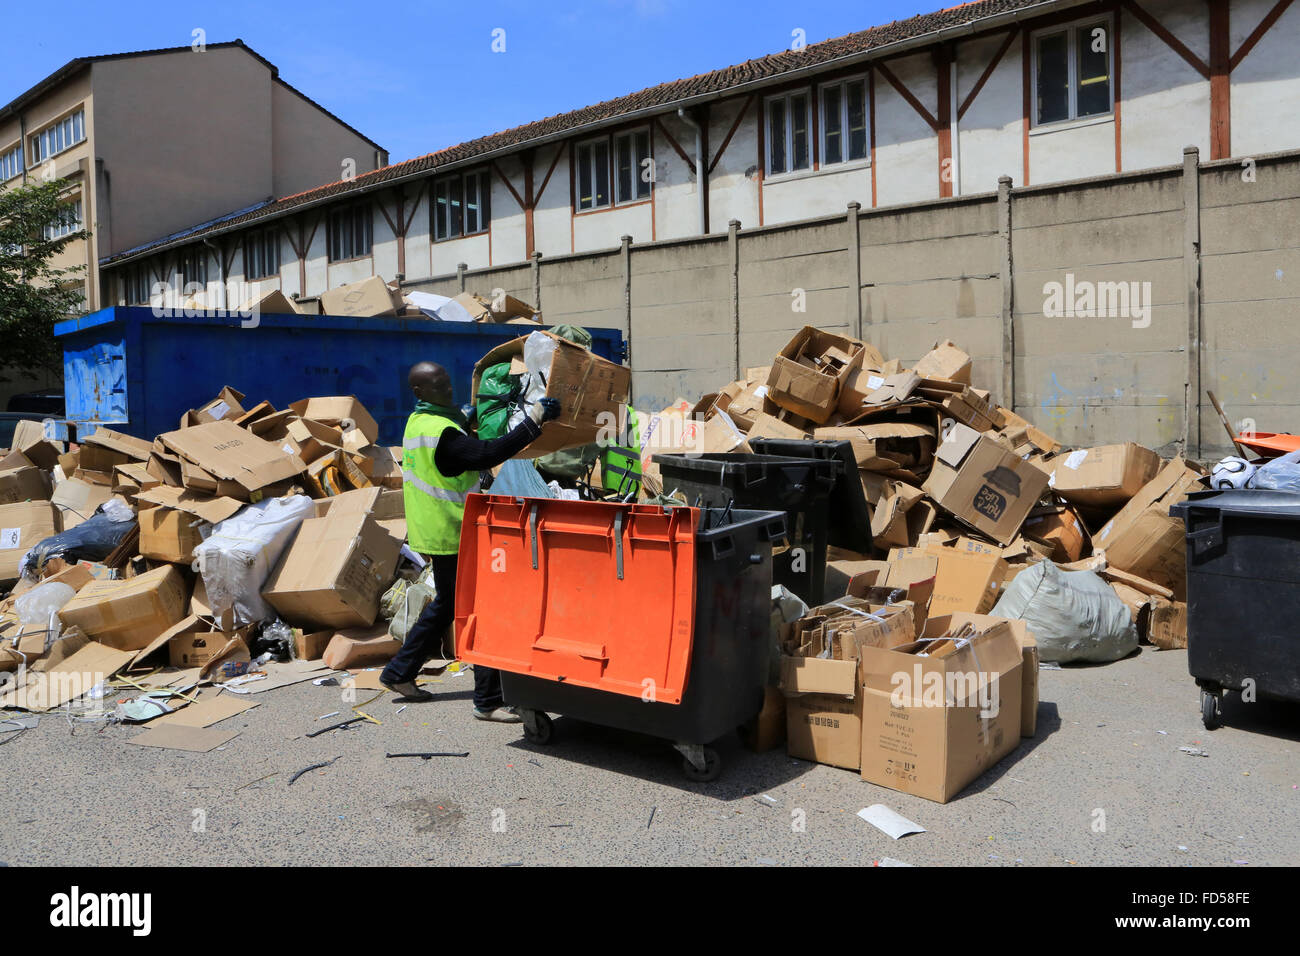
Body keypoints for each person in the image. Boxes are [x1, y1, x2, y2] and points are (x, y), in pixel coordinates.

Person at [381, 360, 559, 721]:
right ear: (419, 392)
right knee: (483, 609)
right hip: (453, 534)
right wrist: (534, 420)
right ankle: (488, 700)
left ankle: (398, 672)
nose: (449, 389)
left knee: (448, 603)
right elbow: (487, 454)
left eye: (449, 382)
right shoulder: (444, 435)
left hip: (434, 532)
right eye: (439, 386)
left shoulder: (419, 422)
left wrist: (478, 412)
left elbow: (458, 434)